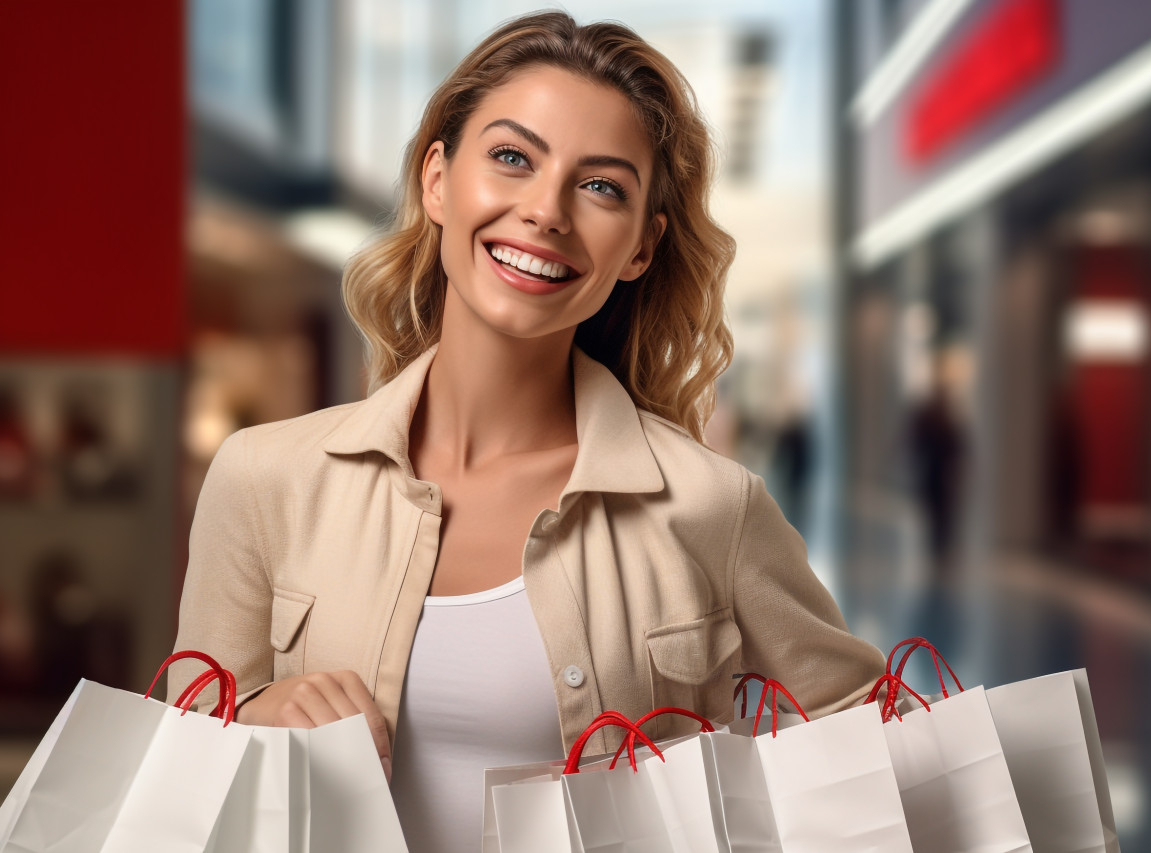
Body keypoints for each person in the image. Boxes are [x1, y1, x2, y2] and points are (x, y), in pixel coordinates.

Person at [169, 10, 883, 850]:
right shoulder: (265, 479)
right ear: (438, 179)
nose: (546, 211)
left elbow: (871, 750)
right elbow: (177, 775)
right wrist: (252, 718)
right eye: (512, 157)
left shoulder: (711, 506)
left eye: (602, 186)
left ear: (641, 247)